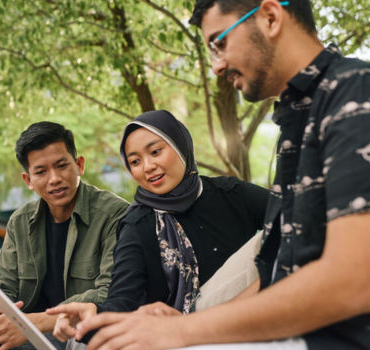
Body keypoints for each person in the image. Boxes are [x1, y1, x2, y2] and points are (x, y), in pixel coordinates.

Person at [72, 1, 370, 349]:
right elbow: (275, 274)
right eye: (134, 161)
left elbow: (360, 283)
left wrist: (182, 332)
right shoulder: (297, 120)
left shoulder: (357, 92)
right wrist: (189, 325)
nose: (217, 66)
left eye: (219, 43)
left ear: (269, 16)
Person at [47, 110, 269, 343]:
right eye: (135, 161)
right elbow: (123, 300)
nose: (148, 166)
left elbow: (296, 219)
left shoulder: (231, 194)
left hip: (252, 316)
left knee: (284, 231)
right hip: (181, 331)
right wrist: (94, 313)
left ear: (181, 144)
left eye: (155, 152)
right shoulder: (136, 225)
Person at [0, 121, 129, 350]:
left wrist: (34, 321)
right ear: (28, 181)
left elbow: (112, 292)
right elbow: (0, 284)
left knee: (83, 339)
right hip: (32, 332)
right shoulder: (20, 222)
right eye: (41, 171)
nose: (54, 178)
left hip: (78, 326)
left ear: (79, 165)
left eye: (61, 165)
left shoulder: (115, 214)